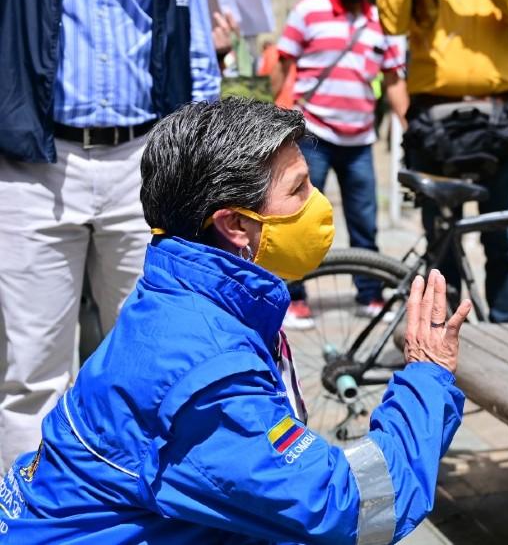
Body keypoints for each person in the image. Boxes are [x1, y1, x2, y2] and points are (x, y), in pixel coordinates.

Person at [1, 99, 473, 543]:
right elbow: (348, 509)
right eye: (298, 190)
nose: (319, 206)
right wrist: (426, 378)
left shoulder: (180, 296)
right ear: (235, 225)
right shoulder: (209, 376)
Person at [0, 0, 221, 472]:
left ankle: (137, 514)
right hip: (33, 162)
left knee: (154, 361)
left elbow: (195, 52)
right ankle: (31, 518)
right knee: (31, 374)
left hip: (143, 161)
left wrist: (202, 163)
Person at [377, 0, 508, 323]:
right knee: (440, 247)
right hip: (433, 120)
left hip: (496, 120)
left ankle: (506, 341)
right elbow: (391, 21)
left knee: (501, 242)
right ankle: (440, 349)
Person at [274, 0, 411, 328]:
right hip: (312, 133)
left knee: (365, 222)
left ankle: (370, 295)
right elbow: (285, 66)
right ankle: (293, 297)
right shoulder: (309, 11)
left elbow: (394, 79)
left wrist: (408, 124)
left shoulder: (382, 21)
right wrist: (278, 121)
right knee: (297, 216)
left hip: (360, 140)